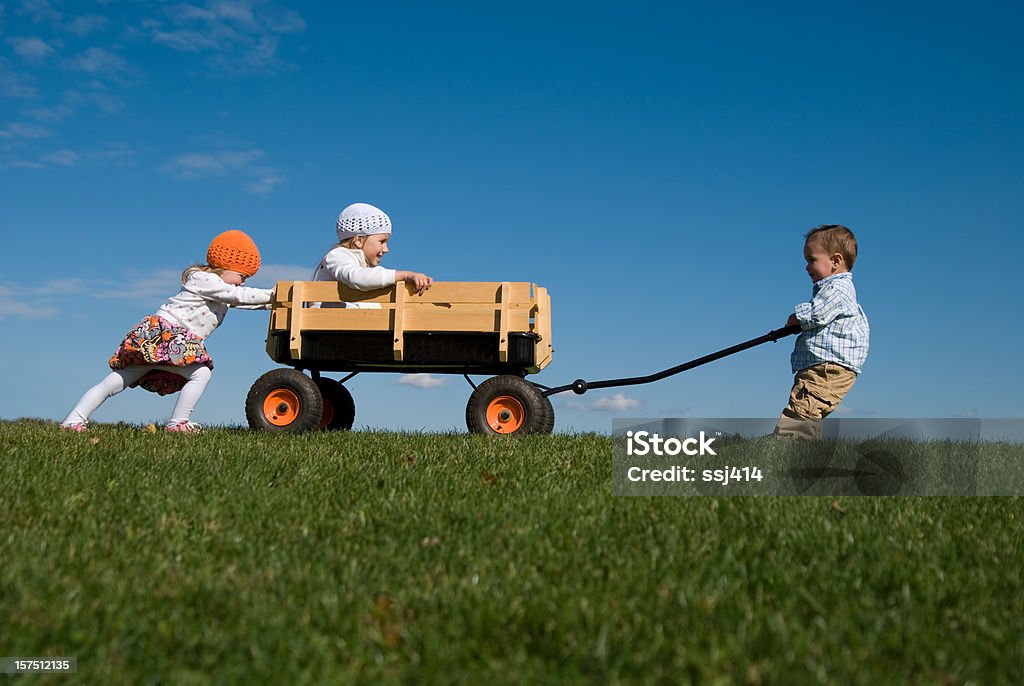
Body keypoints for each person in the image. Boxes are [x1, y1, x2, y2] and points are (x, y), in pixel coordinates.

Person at [61, 230, 274, 433]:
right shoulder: (205, 280)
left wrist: (276, 303)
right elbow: (240, 296)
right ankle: (177, 423)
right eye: (242, 276)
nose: (243, 282)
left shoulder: (220, 291)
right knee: (200, 373)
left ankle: (73, 420)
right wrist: (277, 294)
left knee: (116, 381)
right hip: (168, 335)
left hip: (163, 339)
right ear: (223, 266)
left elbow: (245, 302)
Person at [774, 224, 870, 440]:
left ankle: (783, 449)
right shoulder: (831, 289)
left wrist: (795, 318)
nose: (807, 267)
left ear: (836, 261)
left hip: (828, 367)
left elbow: (816, 313)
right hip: (823, 365)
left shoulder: (838, 289)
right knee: (808, 411)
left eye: (812, 259)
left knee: (802, 411)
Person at [311, 202, 432, 307]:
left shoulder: (363, 269)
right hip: (326, 326)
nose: (386, 249)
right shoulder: (337, 256)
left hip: (347, 326)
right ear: (359, 241)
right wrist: (405, 275)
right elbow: (357, 278)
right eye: (382, 242)